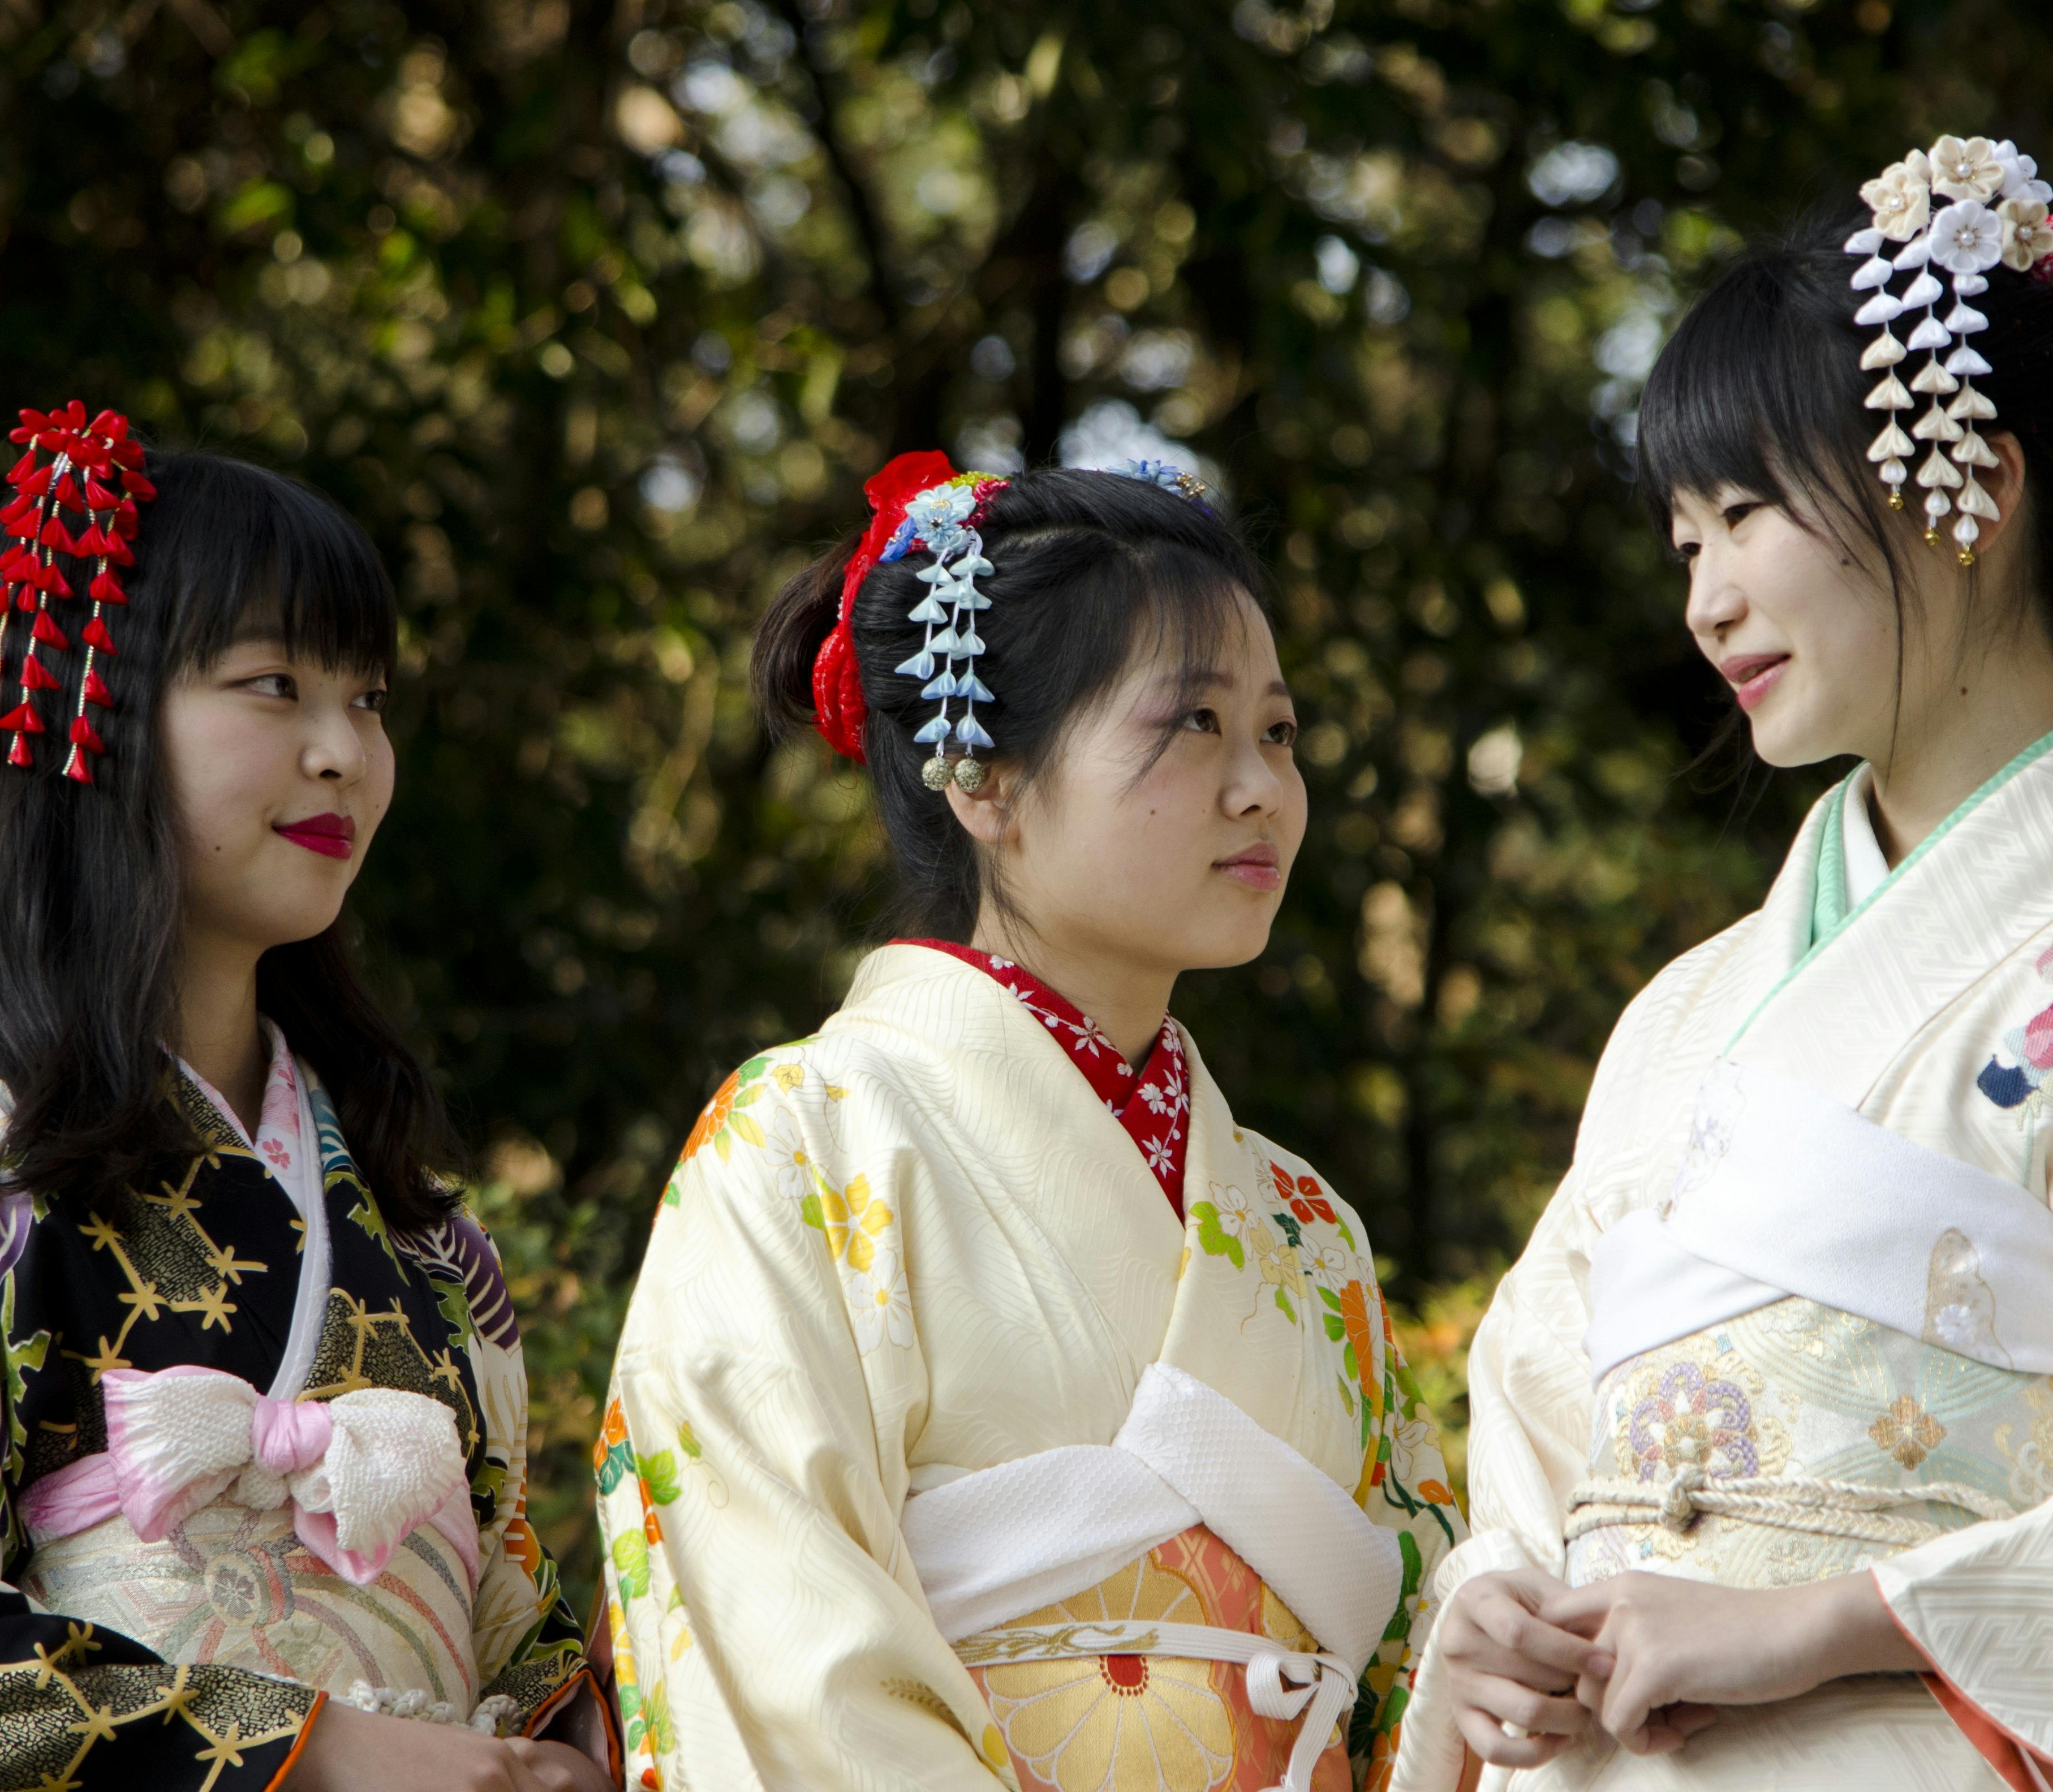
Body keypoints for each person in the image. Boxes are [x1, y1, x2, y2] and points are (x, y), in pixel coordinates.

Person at [1387, 140, 2053, 1790]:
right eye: (1681, 544)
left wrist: (1827, 1617)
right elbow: (1533, 1456)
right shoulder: (1678, 1022)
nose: (1708, 601)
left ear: (1973, 487)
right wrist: (1492, 1622)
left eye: (1744, 515)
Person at [0, 406, 609, 1792]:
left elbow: (506, 1631)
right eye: (274, 685)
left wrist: (563, 1740)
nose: (345, 750)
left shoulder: (424, 1232)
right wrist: (316, 1752)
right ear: (84, 720)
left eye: (369, 698)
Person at [593, 455, 1465, 1790]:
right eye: (1192, 725)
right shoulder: (801, 1142)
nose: (1260, 788)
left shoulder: (1304, 1224)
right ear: (982, 782)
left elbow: (1419, 1657)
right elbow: (772, 1634)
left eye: (1278, 733)